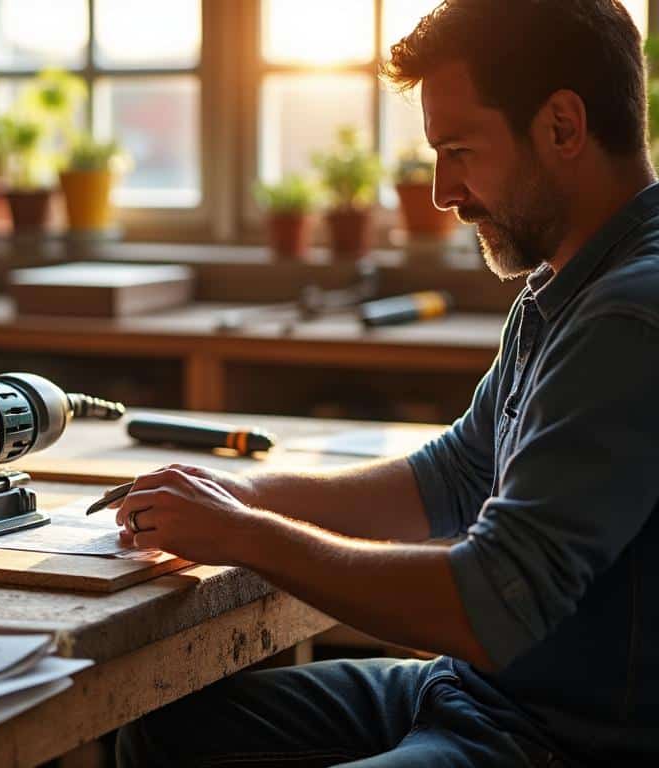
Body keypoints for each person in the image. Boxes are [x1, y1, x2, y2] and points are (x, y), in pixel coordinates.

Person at [114, 2, 659, 765]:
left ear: (563, 127)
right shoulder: (565, 284)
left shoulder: (631, 317)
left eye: (458, 150)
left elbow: (489, 603)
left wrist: (243, 535)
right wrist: (242, 493)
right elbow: (455, 474)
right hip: (476, 692)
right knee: (164, 734)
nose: (441, 191)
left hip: (560, 740)